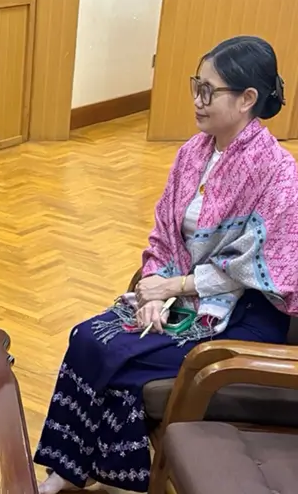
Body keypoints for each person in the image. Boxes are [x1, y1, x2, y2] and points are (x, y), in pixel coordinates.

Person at [35, 35, 298, 494]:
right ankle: (70, 468)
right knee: (87, 336)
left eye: (208, 91)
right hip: (182, 294)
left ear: (247, 99)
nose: (197, 100)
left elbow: (256, 267)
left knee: (116, 359)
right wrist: (155, 284)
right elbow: (164, 232)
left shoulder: (279, 172)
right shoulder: (193, 152)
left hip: (245, 316)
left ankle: (85, 470)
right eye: (196, 85)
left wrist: (172, 288)